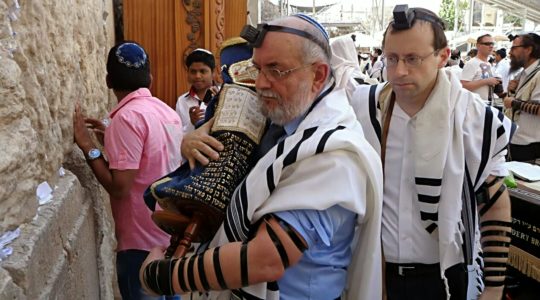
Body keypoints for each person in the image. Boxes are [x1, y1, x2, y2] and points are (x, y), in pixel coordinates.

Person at [139, 14, 383, 300]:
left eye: (276, 70)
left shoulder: (333, 155)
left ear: (318, 74)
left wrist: (161, 276)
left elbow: (266, 259)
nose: (261, 84)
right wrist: (192, 140)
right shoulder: (285, 122)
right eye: (258, 69)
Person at [350, 5, 513, 300]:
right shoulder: (366, 108)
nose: (399, 71)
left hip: (445, 279)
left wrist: (494, 288)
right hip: (376, 274)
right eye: (392, 58)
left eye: (413, 58)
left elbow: (494, 202)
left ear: (443, 56)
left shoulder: (475, 120)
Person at [73, 41, 183, 300]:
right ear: (150, 79)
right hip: (167, 233)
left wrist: (88, 146)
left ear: (109, 81)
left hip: (140, 242)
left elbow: (120, 187)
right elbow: (151, 159)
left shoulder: (127, 118)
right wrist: (111, 138)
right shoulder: (167, 112)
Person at [503, 33, 540, 162]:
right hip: (517, 142)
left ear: (528, 49)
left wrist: (515, 102)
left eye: (514, 48)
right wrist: (511, 92)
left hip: (530, 147)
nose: (510, 52)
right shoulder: (524, 73)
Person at [176, 48, 218, 134]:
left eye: (202, 71)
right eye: (193, 71)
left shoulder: (223, 94)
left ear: (213, 72)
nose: (197, 76)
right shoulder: (182, 101)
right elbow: (179, 135)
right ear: (188, 72)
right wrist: (192, 124)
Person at [461, 34, 502, 102]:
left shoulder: (488, 64)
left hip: (487, 105)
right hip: (474, 106)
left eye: (492, 43)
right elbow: (463, 86)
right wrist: (486, 81)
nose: (491, 46)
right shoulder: (472, 63)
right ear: (478, 46)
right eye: (487, 44)